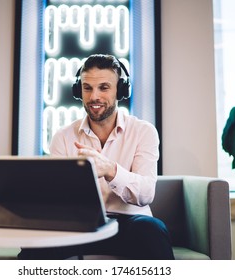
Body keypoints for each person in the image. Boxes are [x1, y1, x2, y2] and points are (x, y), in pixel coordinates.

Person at [18, 54, 174, 260]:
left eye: (104, 87)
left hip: (129, 224)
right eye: (87, 88)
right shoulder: (63, 137)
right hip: (79, 227)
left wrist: (111, 170)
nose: (94, 97)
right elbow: (57, 196)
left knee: (151, 230)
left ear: (120, 90)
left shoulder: (144, 132)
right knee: (33, 245)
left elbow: (146, 194)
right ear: (78, 91)